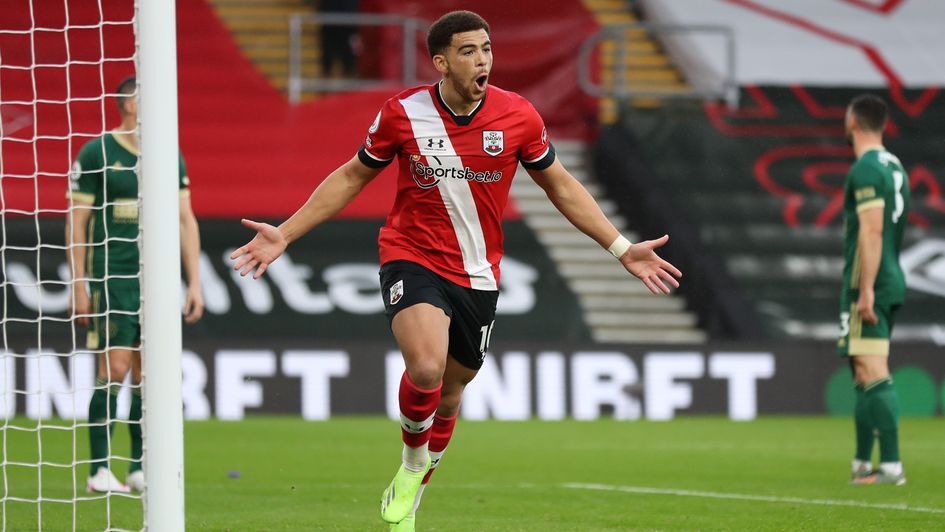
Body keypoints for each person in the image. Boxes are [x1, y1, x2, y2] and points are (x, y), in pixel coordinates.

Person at [231, 10, 681, 530]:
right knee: (425, 367)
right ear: (441, 62)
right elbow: (354, 175)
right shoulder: (403, 113)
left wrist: (620, 247)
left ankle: (419, 481)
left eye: (487, 49)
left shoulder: (519, 117)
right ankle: (410, 466)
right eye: (469, 51)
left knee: (450, 391)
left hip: (478, 273)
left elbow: (560, 186)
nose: (483, 60)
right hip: (411, 254)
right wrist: (285, 232)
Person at [66, 76, 204, 493]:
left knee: (148, 373)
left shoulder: (167, 154)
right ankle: (98, 470)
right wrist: (78, 284)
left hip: (157, 282)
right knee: (117, 367)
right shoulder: (96, 153)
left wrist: (193, 281)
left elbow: (185, 219)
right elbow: (78, 221)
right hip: (113, 277)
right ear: (128, 104)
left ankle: (138, 468)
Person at [838, 94, 909, 486]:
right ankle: (863, 464)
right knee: (861, 371)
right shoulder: (894, 165)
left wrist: (865, 288)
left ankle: (893, 467)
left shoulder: (865, 168)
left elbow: (873, 228)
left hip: (872, 281)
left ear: (852, 122)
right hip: (891, 275)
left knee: (872, 367)